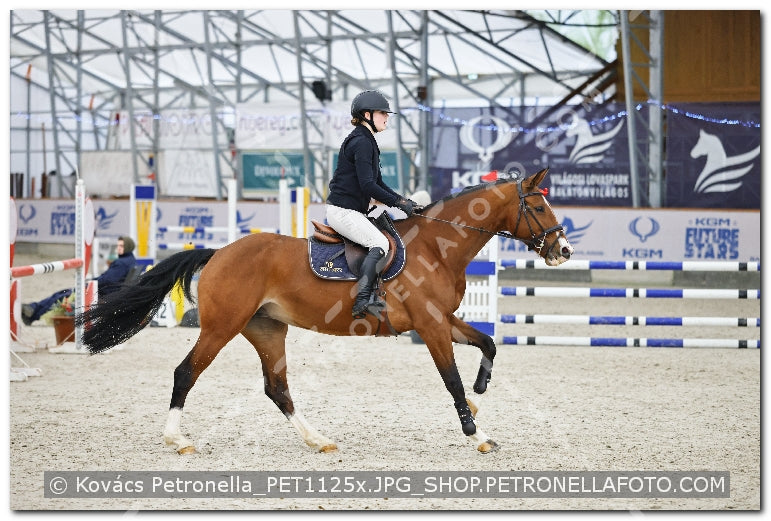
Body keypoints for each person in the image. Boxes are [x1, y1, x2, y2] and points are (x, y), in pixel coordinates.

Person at [326, 89, 423, 319]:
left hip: (351, 210)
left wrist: (404, 202)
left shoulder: (366, 140)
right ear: (367, 115)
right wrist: (399, 204)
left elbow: (378, 183)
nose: (387, 117)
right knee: (379, 243)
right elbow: (368, 186)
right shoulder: (362, 142)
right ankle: (362, 300)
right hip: (343, 212)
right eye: (382, 113)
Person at [21, 236, 138, 325]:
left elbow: (107, 280)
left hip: (101, 292)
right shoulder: (130, 260)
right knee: (63, 294)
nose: (118, 248)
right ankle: (33, 310)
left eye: (121, 246)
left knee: (62, 296)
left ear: (128, 247)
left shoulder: (121, 263)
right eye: (118, 245)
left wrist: (90, 281)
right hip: (107, 292)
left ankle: (33, 311)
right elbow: (109, 280)